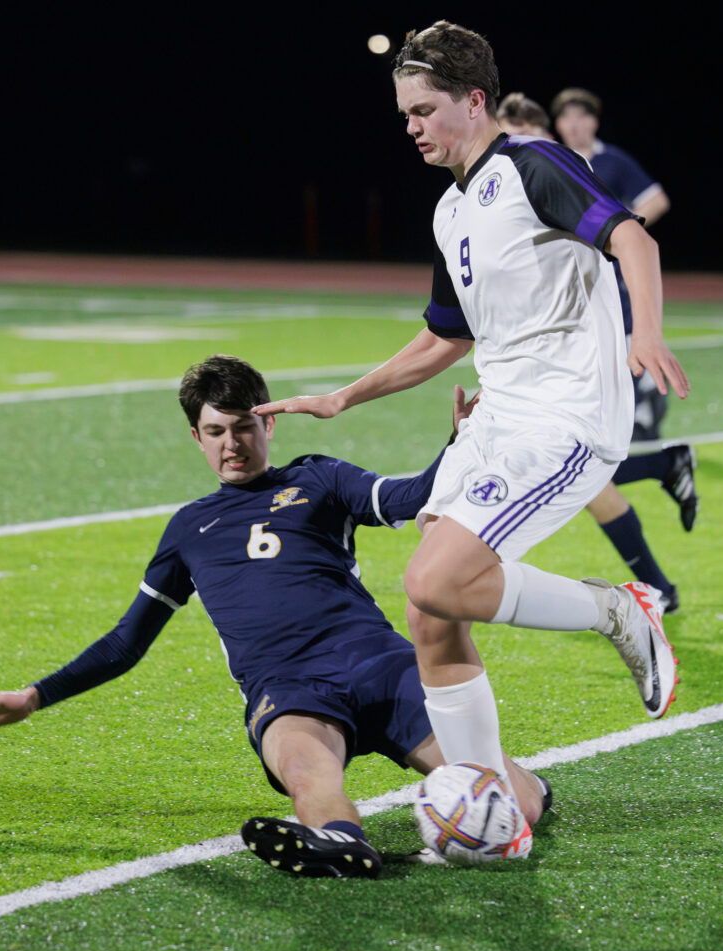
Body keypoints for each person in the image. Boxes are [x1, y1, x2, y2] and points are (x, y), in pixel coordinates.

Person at [253, 21, 689, 861]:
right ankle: (498, 816)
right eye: (403, 112)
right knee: (428, 616)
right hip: (495, 418)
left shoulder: (531, 164)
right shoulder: (450, 206)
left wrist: (647, 334)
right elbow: (445, 337)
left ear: (475, 101)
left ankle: (618, 608)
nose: (410, 125)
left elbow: (632, 235)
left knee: (438, 576)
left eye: (423, 109)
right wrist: (346, 396)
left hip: (563, 420)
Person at [0, 355, 550, 880]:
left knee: (509, 808)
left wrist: (461, 444)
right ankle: (342, 843)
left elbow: (407, 498)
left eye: (243, 427)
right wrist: (33, 697)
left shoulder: (318, 477)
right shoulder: (188, 529)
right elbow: (127, 642)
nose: (231, 444)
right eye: (216, 432)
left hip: (380, 666)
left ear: (269, 421)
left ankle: (532, 790)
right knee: (307, 773)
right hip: (288, 691)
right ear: (196, 437)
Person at [497, 92, 693, 612]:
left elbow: (641, 228)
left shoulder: (569, 168)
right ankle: (660, 581)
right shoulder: (501, 187)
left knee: (572, 466)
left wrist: (644, 329)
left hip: (592, 337)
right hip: (549, 349)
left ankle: (662, 480)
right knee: (579, 473)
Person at [552, 86, 698, 556]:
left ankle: (656, 440)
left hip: (613, 302)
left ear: (594, 122)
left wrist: (616, 231)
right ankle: (663, 462)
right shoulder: (550, 161)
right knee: (568, 456)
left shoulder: (610, 162)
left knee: (572, 458)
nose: (573, 125)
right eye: (565, 118)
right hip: (569, 310)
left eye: (581, 117)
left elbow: (655, 200)